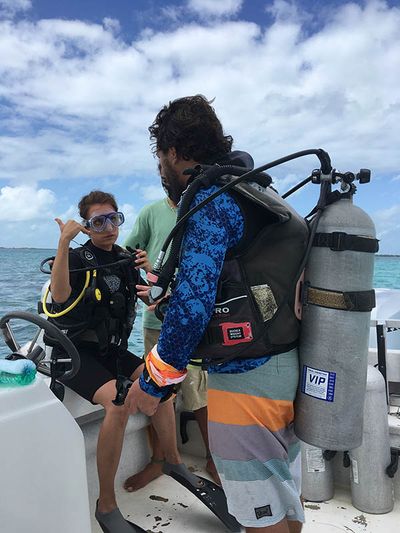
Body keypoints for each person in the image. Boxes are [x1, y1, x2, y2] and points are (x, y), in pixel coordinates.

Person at [126, 96, 306, 533]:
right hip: (287, 368)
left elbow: (191, 309)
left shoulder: (211, 198)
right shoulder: (257, 190)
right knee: (283, 502)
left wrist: (153, 384)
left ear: (171, 152)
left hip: (247, 381)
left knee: (260, 517)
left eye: (160, 158)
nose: (162, 169)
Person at [48, 190, 182, 533]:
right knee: (119, 405)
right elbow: (60, 296)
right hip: (76, 353)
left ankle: (170, 461)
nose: (109, 227)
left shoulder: (123, 258)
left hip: (112, 349)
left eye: (114, 218)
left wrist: (152, 273)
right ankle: (105, 505)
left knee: (162, 382)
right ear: (87, 227)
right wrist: (63, 244)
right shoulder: (77, 258)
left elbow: (153, 298)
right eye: (99, 221)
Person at [123, 174, 219, 489]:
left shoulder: (206, 209)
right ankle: (159, 461)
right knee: (158, 393)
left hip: (195, 322)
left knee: (197, 392)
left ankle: (213, 459)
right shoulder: (151, 213)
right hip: (156, 322)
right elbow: (126, 256)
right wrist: (146, 268)